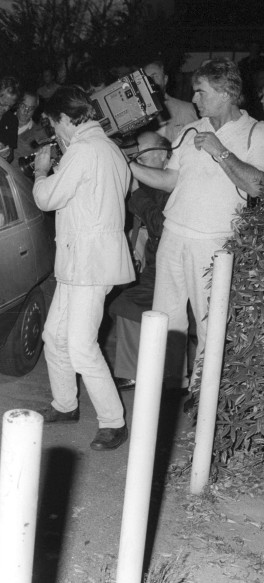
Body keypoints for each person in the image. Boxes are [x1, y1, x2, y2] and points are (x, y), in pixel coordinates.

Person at [129, 57, 264, 393]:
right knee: (166, 318)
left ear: (225, 92)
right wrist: (128, 166)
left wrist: (221, 153)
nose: (195, 100)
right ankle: (167, 387)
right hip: (174, 236)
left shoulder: (255, 133)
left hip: (215, 243)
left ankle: (202, 394)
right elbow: (170, 179)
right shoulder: (193, 130)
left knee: (209, 323)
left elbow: (258, 186)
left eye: (201, 92)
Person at [32, 85, 134, 451]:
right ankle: (65, 404)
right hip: (82, 261)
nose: (54, 133)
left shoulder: (82, 150)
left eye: (53, 124)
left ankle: (113, 422)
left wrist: (42, 172)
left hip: (88, 263)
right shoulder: (109, 148)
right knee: (53, 336)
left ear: (64, 118)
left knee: (79, 345)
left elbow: (46, 198)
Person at [108, 132, 174, 390]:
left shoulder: (172, 185)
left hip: (168, 266)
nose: (136, 156)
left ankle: (136, 371)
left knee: (129, 304)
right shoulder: (150, 184)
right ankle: (161, 373)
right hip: (154, 264)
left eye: (142, 151)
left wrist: (136, 191)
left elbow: (160, 224)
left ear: (163, 155)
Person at [143, 59, 198, 143]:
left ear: (165, 79)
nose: (150, 81)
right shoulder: (137, 115)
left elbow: (193, 145)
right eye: (146, 78)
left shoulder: (185, 109)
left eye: (155, 76)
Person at [12, 91, 48, 165]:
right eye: (23, 106)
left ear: (35, 110)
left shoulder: (40, 133)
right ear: (18, 104)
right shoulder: (3, 119)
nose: (26, 111)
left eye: (31, 108)